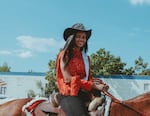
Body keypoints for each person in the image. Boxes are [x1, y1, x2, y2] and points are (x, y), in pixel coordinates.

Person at [34, 23, 109, 116]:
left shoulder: (86, 58)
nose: (81, 39)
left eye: (83, 37)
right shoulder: (65, 55)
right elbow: (67, 78)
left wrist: (99, 85)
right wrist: (93, 85)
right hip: (69, 93)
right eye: (78, 36)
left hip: (84, 93)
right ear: (72, 38)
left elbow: (87, 78)